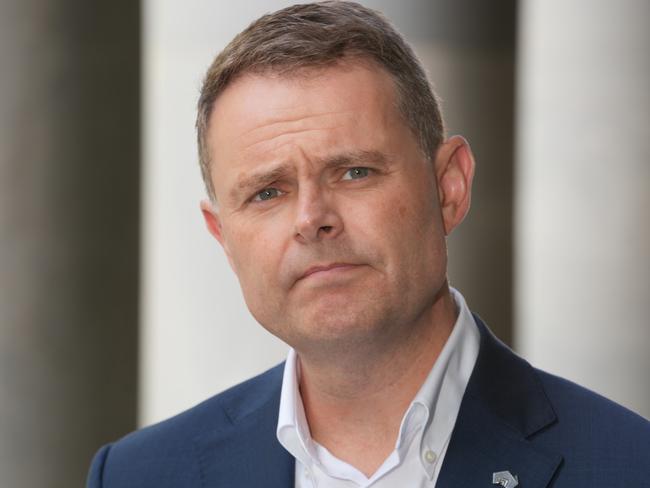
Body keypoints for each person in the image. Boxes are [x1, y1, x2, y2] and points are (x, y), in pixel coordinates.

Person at [87, 2, 649, 487]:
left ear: (449, 187)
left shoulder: (628, 467)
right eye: (267, 192)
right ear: (224, 238)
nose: (311, 219)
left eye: (354, 172)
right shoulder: (141, 476)